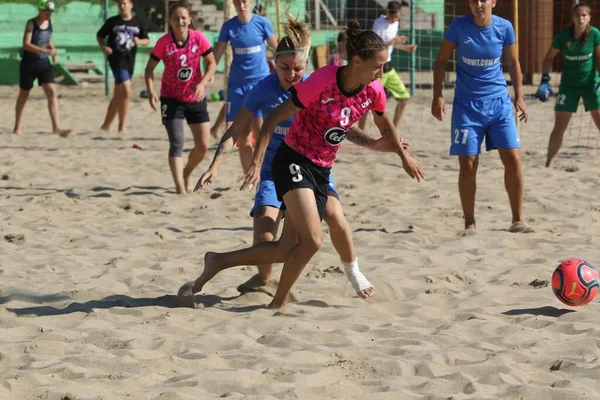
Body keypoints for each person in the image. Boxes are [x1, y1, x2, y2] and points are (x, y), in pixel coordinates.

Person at [176, 21, 425, 312]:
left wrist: (394, 152)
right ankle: (271, 292)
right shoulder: (304, 84)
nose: (292, 75)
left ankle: (223, 263)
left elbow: (366, 125)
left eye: (297, 68)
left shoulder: (358, 88)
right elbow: (253, 126)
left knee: (300, 240)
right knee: (292, 245)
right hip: (282, 165)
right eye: (285, 68)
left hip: (320, 167)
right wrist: (242, 163)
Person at [431, 0, 530, 233]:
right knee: (467, 164)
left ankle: (518, 219)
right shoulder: (458, 26)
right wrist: (437, 95)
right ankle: (469, 222)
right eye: (474, 0)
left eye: (484, 0)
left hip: (499, 103)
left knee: (513, 159)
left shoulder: (504, 27)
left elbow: (513, 62)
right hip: (467, 105)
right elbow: (441, 61)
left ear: (493, 2)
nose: (479, 4)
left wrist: (520, 97)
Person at [144, 1, 217, 194]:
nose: (180, 21)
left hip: (196, 96)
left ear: (189, 20)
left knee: (203, 146)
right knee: (177, 141)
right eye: (176, 18)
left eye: (184, 17)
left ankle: (187, 172)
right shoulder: (164, 43)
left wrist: (202, 84)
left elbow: (212, 64)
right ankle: (180, 189)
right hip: (171, 98)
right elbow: (149, 69)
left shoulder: (198, 39)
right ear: (170, 20)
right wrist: (151, 91)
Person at [212, 0, 278, 172]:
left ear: (250, 2)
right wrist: (208, 75)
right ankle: (248, 177)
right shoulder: (229, 27)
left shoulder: (262, 23)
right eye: (237, 1)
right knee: (243, 137)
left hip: (259, 84)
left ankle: (265, 173)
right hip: (238, 85)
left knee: (261, 132)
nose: (241, 5)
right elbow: (216, 54)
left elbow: (277, 50)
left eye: (244, 1)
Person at [538, 2, 600, 168]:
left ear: (589, 18)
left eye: (584, 15)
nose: (580, 18)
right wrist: (544, 80)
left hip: (590, 84)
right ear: (572, 17)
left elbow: (599, 58)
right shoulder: (562, 36)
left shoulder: (594, 34)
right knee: (560, 126)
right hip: (568, 86)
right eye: (577, 15)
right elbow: (548, 58)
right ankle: (549, 163)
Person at [13, 0, 71, 137]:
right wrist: (44, 51)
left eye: (51, 12)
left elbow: (48, 38)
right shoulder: (31, 23)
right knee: (24, 94)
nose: (49, 14)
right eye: (47, 11)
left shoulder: (51, 23)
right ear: (40, 10)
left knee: (51, 91)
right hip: (29, 63)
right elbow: (26, 44)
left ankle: (56, 127)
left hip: (44, 63)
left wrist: (53, 50)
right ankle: (17, 126)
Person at [357, 1, 417, 132]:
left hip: (388, 67)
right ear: (388, 12)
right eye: (393, 16)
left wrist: (406, 48)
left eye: (397, 16)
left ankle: (393, 130)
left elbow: (391, 45)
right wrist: (392, 41)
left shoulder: (395, 23)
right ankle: (361, 132)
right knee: (366, 103)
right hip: (376, 68)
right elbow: (373, 46)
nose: (395, 19)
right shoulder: (379, 24)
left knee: (404, 97)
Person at [97, 0, 150, 134]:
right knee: (126, 89)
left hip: (129, 60)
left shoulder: (138, 22)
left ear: (131, 5)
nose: (122, 6)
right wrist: (104, 47)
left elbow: (147, 39)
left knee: (118, 94)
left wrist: (139, 41)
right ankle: (122, 127)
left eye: (125, 3)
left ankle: (106, 125)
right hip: (116, 59)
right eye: (120, 4)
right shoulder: (112, 22)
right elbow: (100, 35)